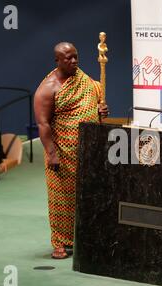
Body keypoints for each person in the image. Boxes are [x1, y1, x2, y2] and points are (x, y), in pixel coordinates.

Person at [34, 42, 109, 259]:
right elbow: (43, 124)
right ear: (57, 61)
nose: (74, 61)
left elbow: (95, 105)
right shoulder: (47, 89)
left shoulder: (85, 81)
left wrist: (100, 108)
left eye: (75, 57)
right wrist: (51, 154)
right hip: (62, 154)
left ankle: (87, 237)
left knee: (89, 195)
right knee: (61, 200)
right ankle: (60, 243)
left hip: (89, 151)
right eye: (68, 58)